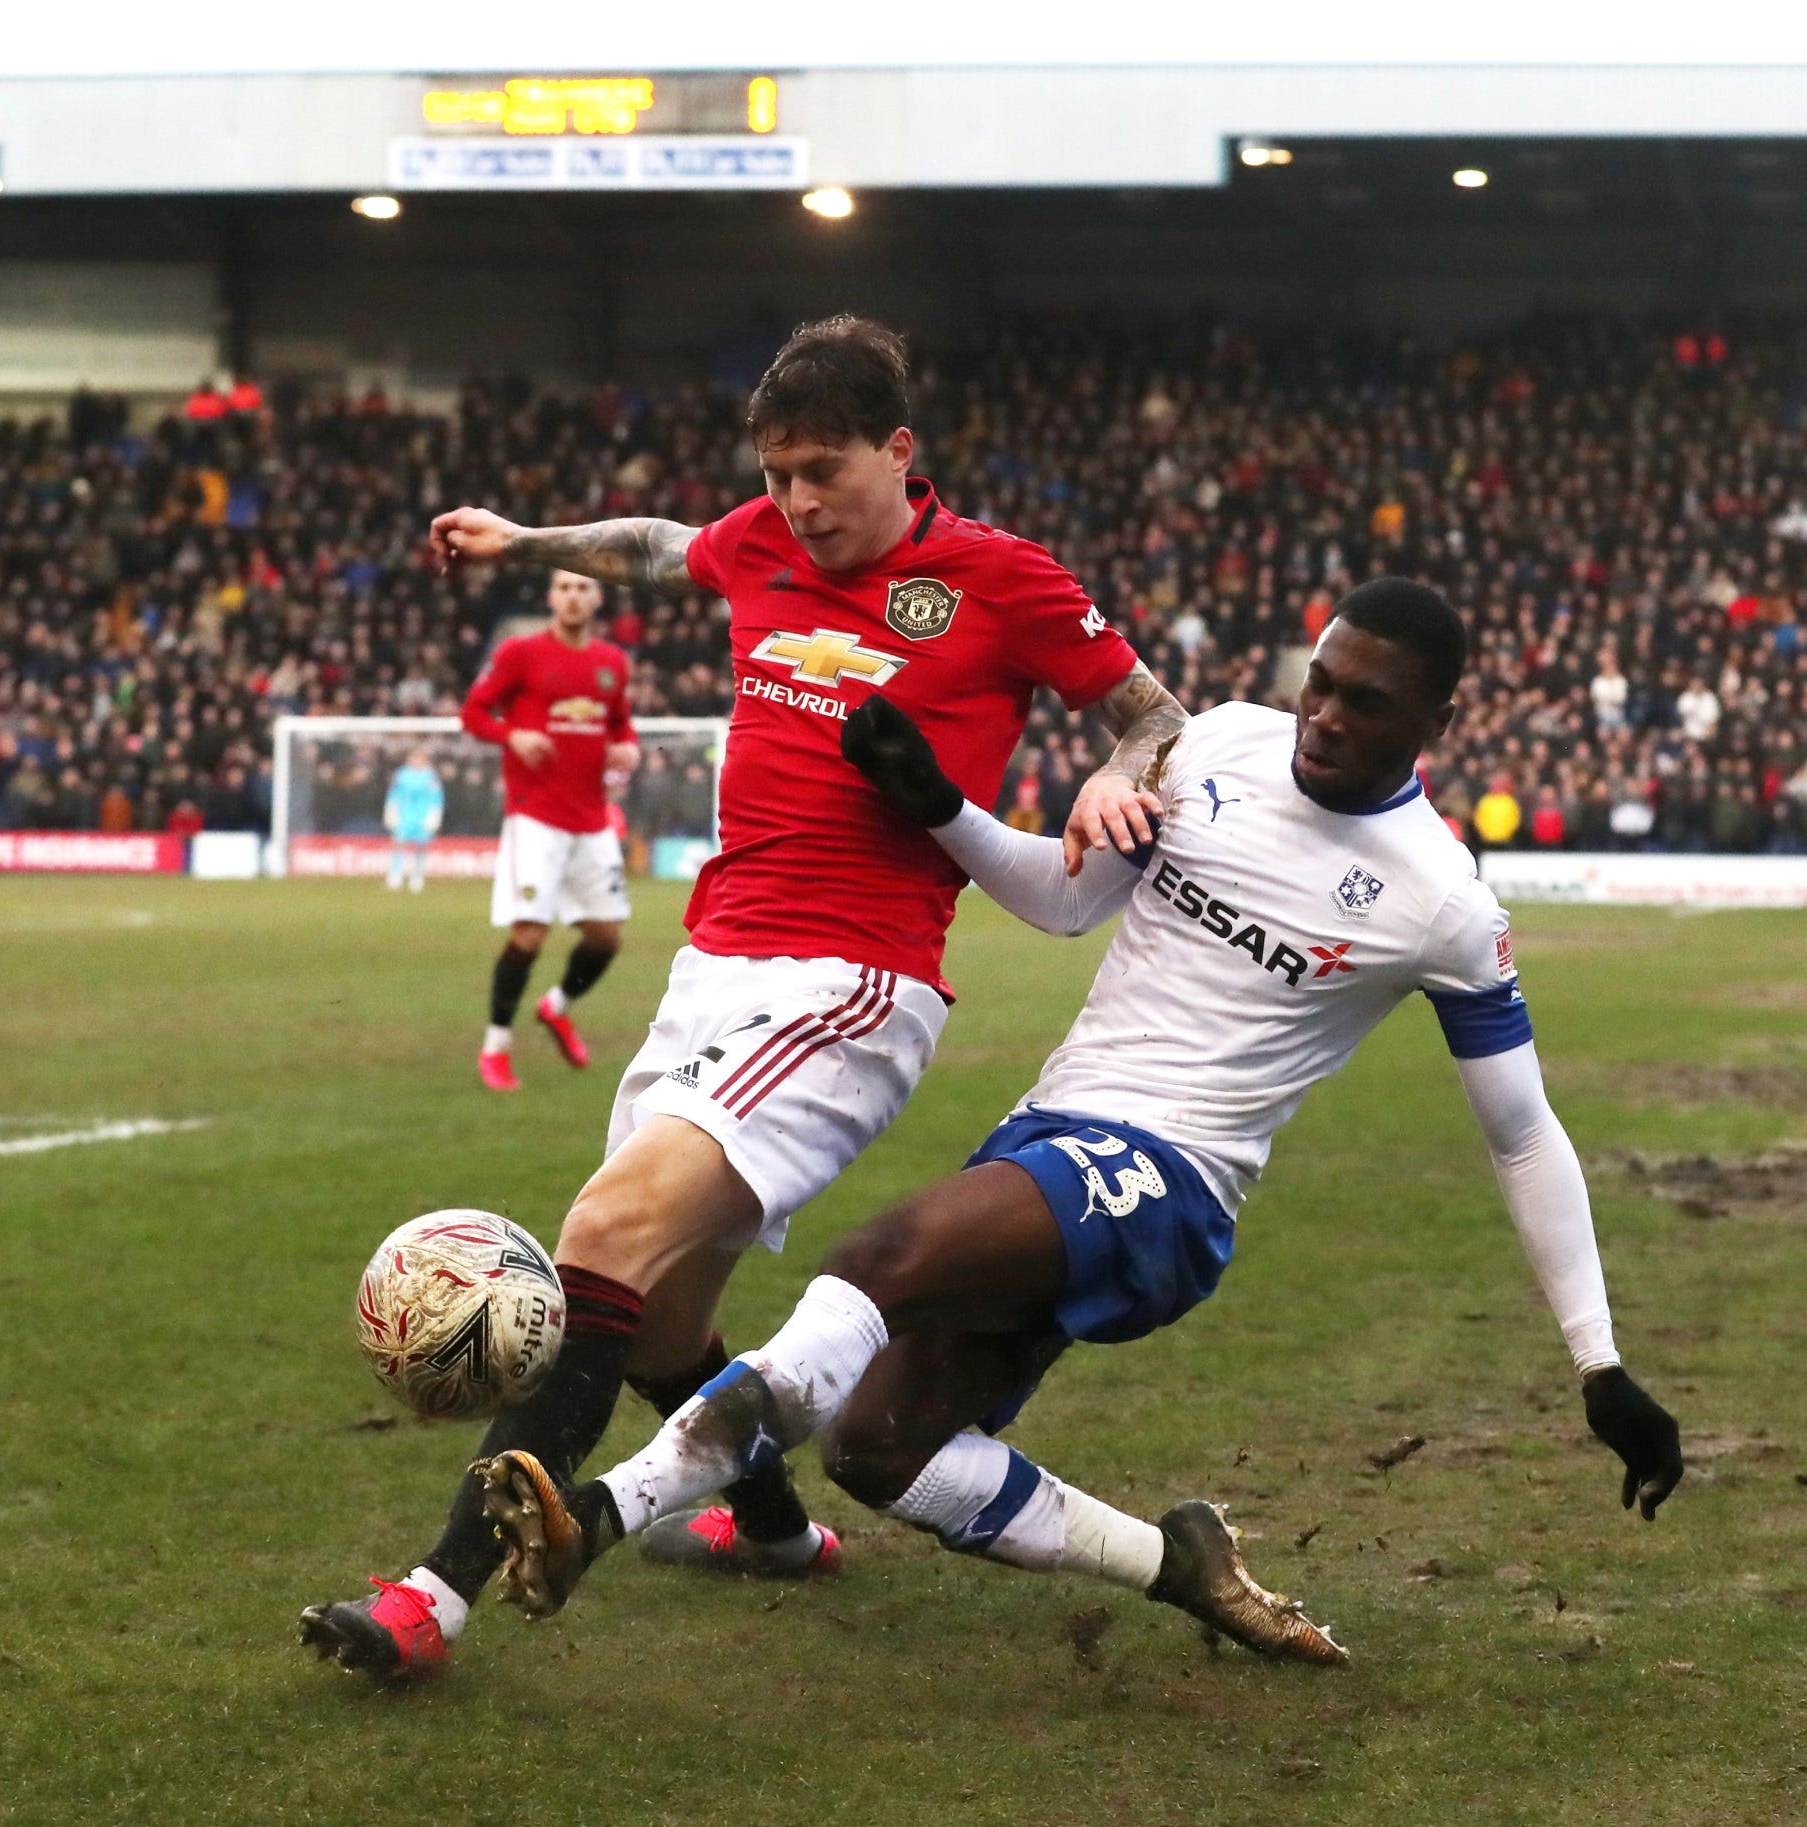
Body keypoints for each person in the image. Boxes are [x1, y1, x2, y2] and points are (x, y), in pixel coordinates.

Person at [468, 580, 1686, 1665]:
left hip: (1172, 1185)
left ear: (1437, 725)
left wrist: (1599, 1364)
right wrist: (939, 804)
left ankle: (605, 1514)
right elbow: (1063, 903)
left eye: (1365, 704)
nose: (1324, 717)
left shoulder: (1442, 904)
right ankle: (1180, 1564)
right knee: (879, 1449)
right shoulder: (1215, 744)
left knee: (873, 1265)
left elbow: (1521, 1136)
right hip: (1049, 1136)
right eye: (1318, 684)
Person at [300, 315, 1184, 1678]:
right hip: (712, 964)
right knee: (651, 1314)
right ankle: (772, 1531)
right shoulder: (764, 539)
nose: (796, 502)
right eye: (775, 474)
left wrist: (1122, 773)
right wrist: (523, 540)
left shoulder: (999, 579)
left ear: (899, 451)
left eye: (823, 469)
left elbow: (1151, 710)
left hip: (851, 981)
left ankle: (433, 1595)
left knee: (602, 1227)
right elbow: (663, 544)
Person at [459, 571, 641, 1084]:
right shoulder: (521, 653)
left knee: (606, 938)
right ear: (550, 597)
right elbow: (473, 712)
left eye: (583, 588)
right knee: (529, 935)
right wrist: (511, 735)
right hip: (534, 816)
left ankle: (556, 1005)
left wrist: (628, 744)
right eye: (564, 588)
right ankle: (496, 1046)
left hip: (591, 818)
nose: (574, 596)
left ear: (597, 597)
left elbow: (620, 723)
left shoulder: (612, 663)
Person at [383, 749, 446, 892]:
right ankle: (395, 873)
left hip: (422, 815)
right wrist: (391, 810)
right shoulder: (401, 774)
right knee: (398, 843)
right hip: (404, 814)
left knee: (421, 845)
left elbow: (436, 797)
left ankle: (417, 875)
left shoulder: (430, 776)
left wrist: (434, 814)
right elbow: (393, 793)